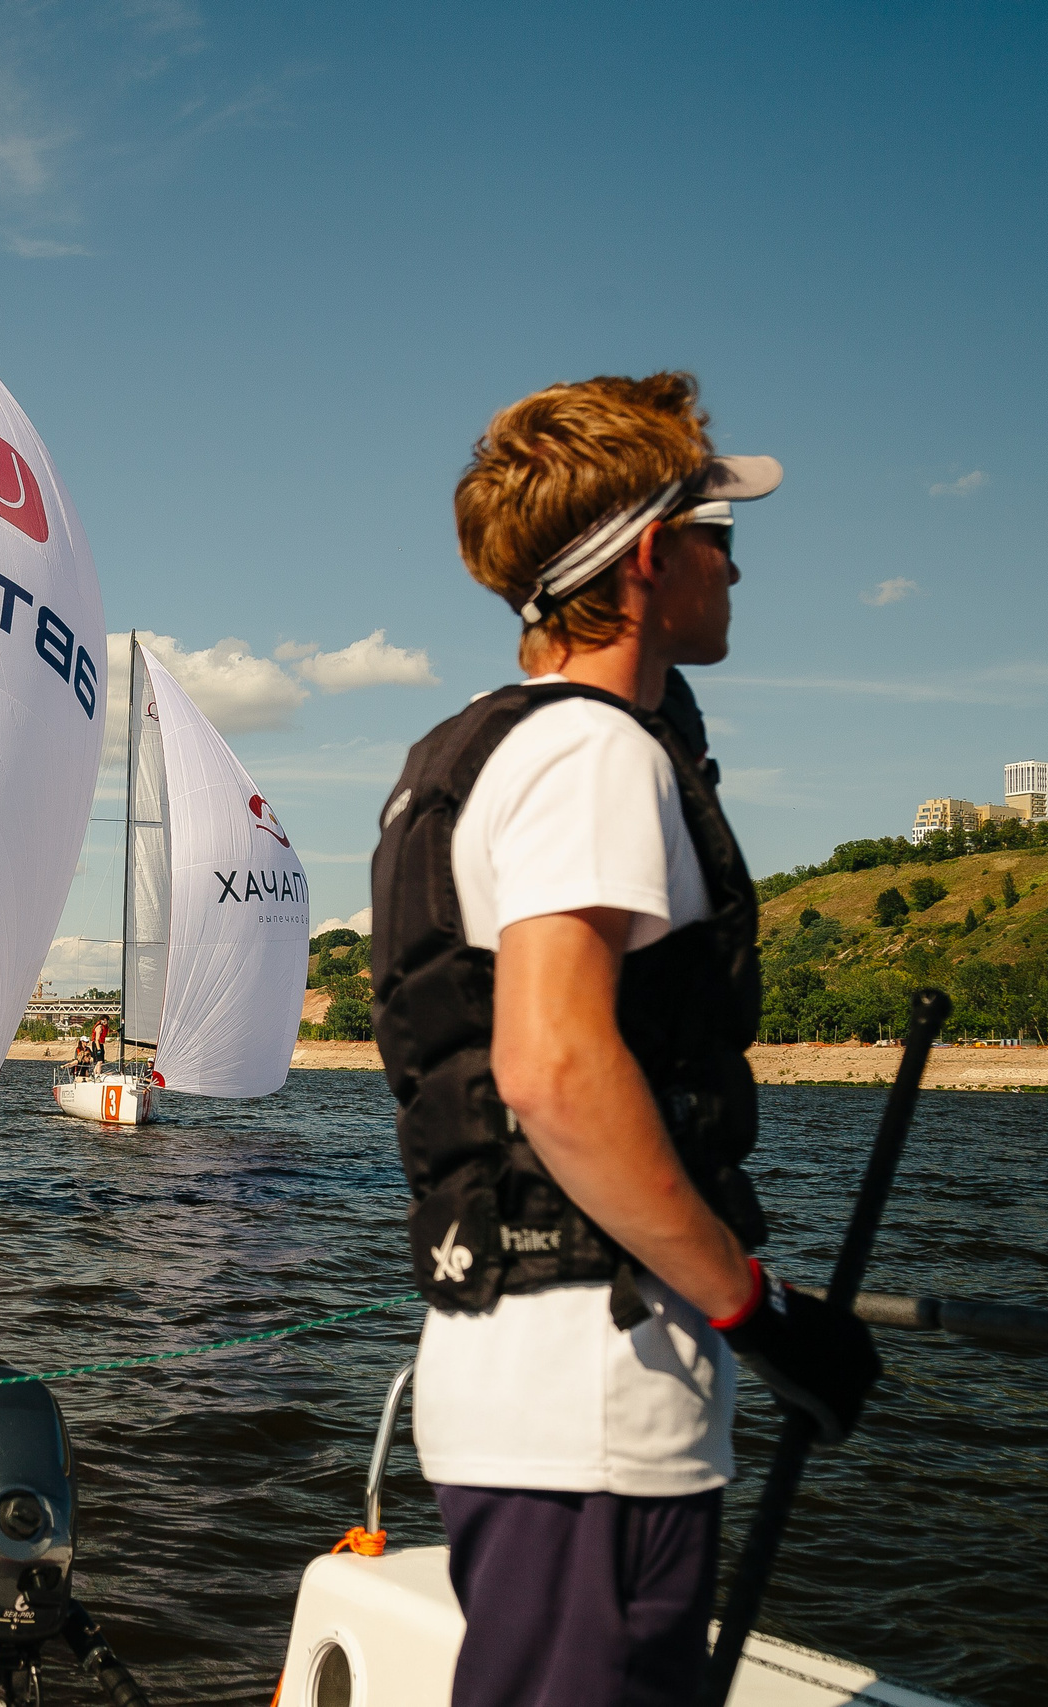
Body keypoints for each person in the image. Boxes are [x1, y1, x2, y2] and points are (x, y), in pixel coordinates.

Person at [369, 372, 880, 1707]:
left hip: (513, 1379)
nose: (736, 565)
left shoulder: (469, 749)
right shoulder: (594, 754)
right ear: (650, 556)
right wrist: (754, 1306)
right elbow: (554, 1062)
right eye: (718, 532)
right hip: (592, 1395)